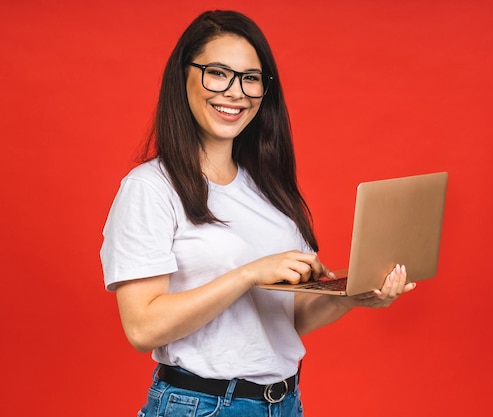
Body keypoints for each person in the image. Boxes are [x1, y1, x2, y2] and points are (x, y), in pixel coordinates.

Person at [100, 10, 415, 417]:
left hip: (283, 403)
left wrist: (353, 295)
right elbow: (142, 328)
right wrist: (249, 273)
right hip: (202, 406)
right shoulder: (151, 188)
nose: (236, 92)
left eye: (251, 78)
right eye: (218, 73)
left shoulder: (268, 187)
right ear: (184, 77)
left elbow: (287, 318)